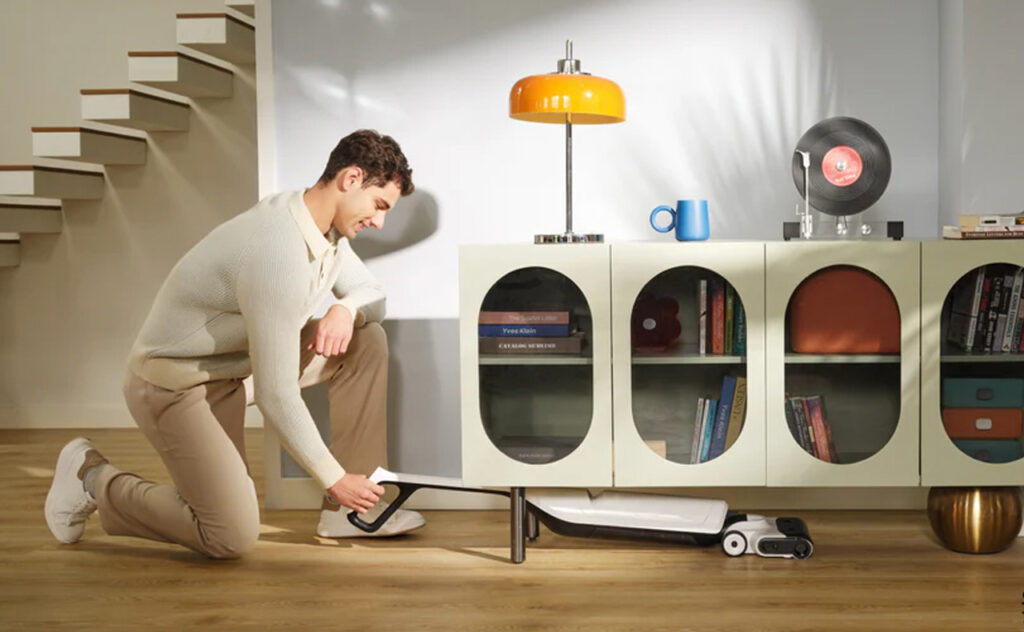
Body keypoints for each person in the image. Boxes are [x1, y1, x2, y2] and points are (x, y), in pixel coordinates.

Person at [44, 129, 421, 559]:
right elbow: (277, 394)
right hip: (174, 385)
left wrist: (345, 309)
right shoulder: (276, 249)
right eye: (379, 205)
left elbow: (374, 295)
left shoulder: (323, 231)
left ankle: (350, 513)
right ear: (351, 179)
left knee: (365, 339)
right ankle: (91, 479)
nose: (379, 222)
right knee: (229, 534)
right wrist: (333, 478)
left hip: (232, 372)